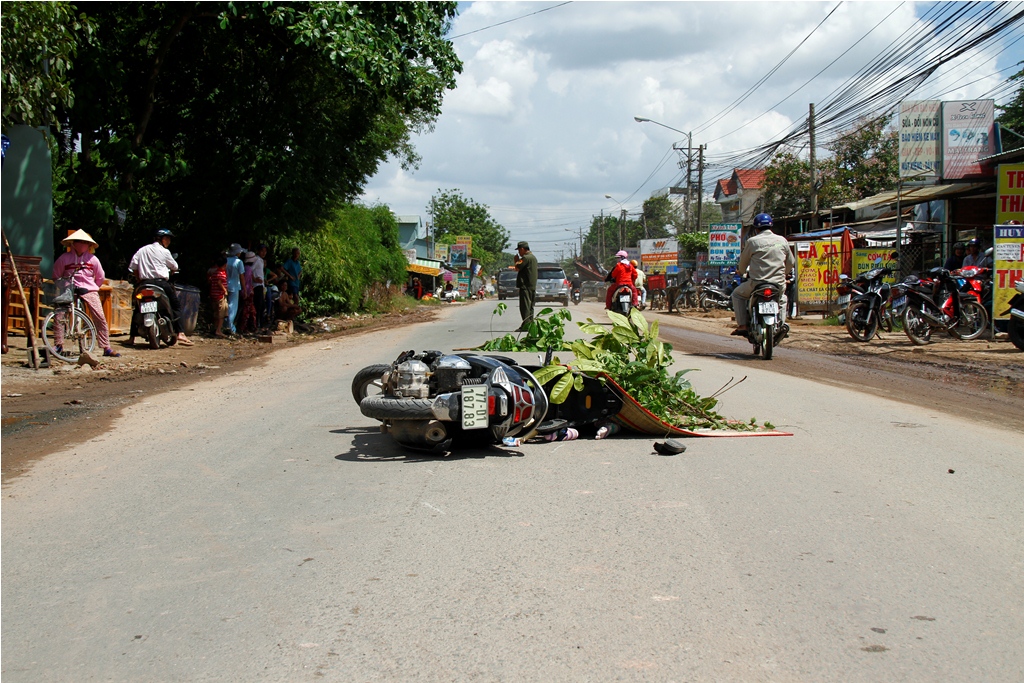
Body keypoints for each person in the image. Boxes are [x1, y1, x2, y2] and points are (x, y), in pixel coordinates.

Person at [52, 229, 120, 357]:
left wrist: (93, 287)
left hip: (88, 289)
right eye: (79, 241)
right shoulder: (64, 258)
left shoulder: (93, 259)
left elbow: (100, 277)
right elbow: (56, 275)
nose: (82, 244)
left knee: (99, 315)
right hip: (68, 289)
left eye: (85, 242)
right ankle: (58, 344)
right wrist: (64, 286)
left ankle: (106, 347)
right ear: (73, 243)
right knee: (59, 315)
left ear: (89, 245)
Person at [731, 213, 796, 337]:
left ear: (756, 229)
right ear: (771, 226)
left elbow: (743, 263)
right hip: (778, 284)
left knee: (737, 294)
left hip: (757, 284)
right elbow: (791, 262)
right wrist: (784, 274)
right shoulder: (782, 240)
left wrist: (741, 272)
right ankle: (781, 324)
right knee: (782, 299)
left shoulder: (752, 242)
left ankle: (742, 325)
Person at [128, 229, 193, 346]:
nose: (168, 241)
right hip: (160, 283)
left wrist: (139, 279)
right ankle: (180, 333)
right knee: (176, 306)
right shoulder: (164, 251)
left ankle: (132, 338)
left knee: (138, 308)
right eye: (167, 238)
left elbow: (133, 267)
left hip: (144, 284)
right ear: (161, 239)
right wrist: (173, 271)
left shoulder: (142, 250)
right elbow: (175, 266)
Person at [514, 240, 538, 330]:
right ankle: (530, 324)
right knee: (530, 306)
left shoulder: (526, 258)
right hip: (532, 286)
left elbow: (517, 267)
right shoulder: (533, 258)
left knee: (525, 307)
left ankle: (526, 325)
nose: (519, 252)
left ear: (523, 249)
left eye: (519, 250)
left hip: (525, 286)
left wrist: (516, 260)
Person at [224, 244, 245, 335]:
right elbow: (242, 277)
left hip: (225, 285)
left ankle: (224, 325)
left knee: (225, 306)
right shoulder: (239, 262)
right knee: (232, 307)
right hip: (235, 286)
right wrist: (245, 289)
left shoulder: (226, 261)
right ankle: (230, 327)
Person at [207, 252, 228, 338]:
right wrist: (224, 290)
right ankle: (219, 330)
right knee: (221, 314)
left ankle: (215, 329)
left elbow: (211, 281)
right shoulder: (221, 273)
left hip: (213, 295)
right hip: (220, 296)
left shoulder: (214, 272)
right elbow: (219, 282)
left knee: (216, 313)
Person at [238, 251, 258, 334]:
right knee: (247, 311)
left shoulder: (245, 268)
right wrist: (246, 291)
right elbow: (246, 282)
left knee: (249, 311)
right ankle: (243, 328)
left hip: (246, 291)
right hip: (247, 292)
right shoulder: (248, 269)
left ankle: (247, 327)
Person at [252, 244, 268, 329]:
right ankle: (257, 324)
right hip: (256, 286)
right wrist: (254, 279)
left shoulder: (261, 260)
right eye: (262, 251)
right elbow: (250, 270)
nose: (264, 253)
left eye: (265, 251)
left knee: (262, 306)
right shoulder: (256, 260)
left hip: (261, 285)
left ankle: (260, 324)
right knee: (258, 306)